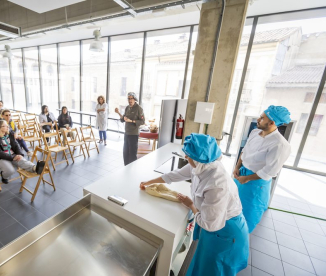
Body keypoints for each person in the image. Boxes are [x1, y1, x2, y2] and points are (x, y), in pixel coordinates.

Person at [141, 134, 248, 276]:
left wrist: (191, 205)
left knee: (214, 269)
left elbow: (209, 224)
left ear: (197, 158)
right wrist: (148, 182)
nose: (185, 158)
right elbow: (175, 174)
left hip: (226, 233)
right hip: (213, 225)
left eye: (187, 155)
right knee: (202, 265)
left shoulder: (217, 184)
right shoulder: (200, 164)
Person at [233, 105, 291, 233]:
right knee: (232, 205)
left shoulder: (280, 144)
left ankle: (239, 239)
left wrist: (247, 178)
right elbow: (245, 151)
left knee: (247, 214)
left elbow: (269, 171)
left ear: (272, 122)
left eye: (262, 118)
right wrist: (237, 167)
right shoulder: (255, 133)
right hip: (241, 175)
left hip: (255, 183)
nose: (258, 119)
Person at [114, 92, 145, 166]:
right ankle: (126, 168)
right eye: (129, 99)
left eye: (131, 99)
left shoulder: (139, 108)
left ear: (134, 99)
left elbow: (142, 121)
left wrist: (131, 121)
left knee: (132, 154)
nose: (130, 100)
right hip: (127, 133)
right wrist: (118, 113)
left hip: (134, 134)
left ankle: (132, 171)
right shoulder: (127, 108)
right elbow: (123, 119)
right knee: (125, 153)